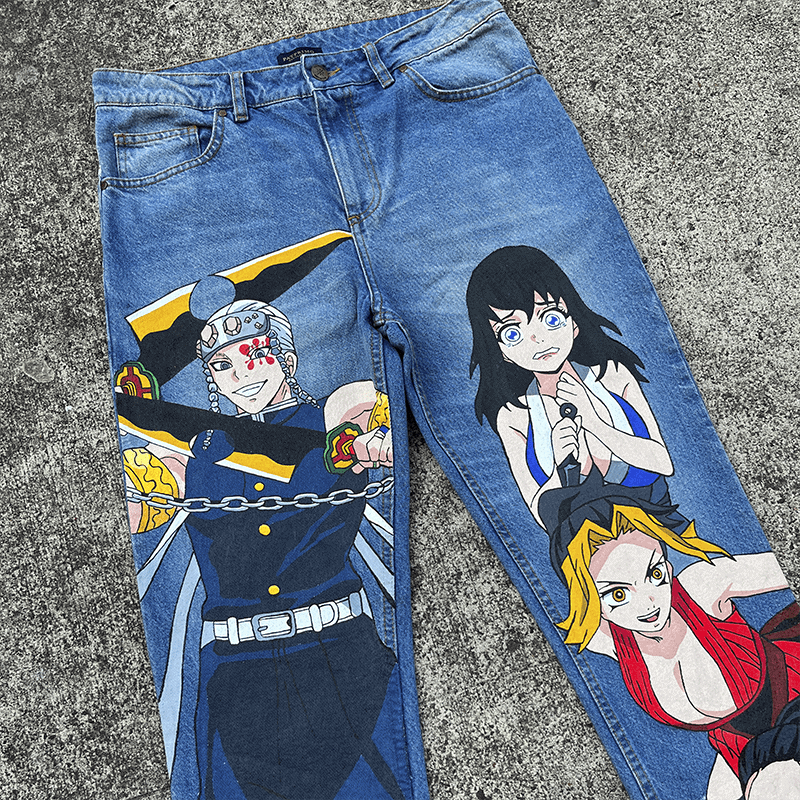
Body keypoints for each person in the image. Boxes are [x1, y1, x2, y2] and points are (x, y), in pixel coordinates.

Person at [123, 299, 403, 800]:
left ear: (288, 359)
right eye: (222, 365)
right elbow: (141, 508)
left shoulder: (334, 426)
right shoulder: (196, 451)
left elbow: (367, 406)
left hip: (340, 658)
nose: (240, 375)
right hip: (236, 676)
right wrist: (139, 421)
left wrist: (374, 444)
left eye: (254, 354)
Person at [539, 472, 800, 800]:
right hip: (737, 748)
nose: (650, 602)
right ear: (590, 600)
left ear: (668, 562)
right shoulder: (603, 639)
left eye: (655, 573)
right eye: (618, 594)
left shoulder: (702, 587)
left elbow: (777, 570)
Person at [466, 245, 673, 527]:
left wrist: (595, 424)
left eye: (550, 318)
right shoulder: (514, 416)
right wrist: (560, 469)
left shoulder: (612, 376)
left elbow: (663, 463)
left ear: (573, 321)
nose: (537, 339)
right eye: (512, 332)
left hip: (660, 526)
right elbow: (541, 516)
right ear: (501, 351)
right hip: (584, 546)